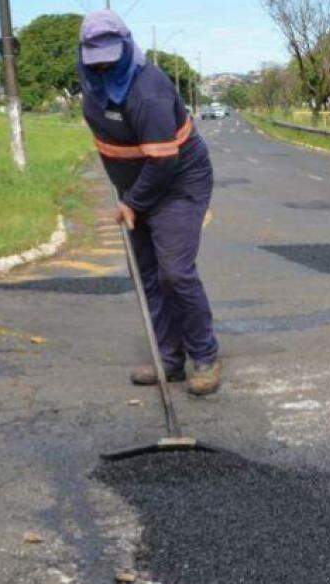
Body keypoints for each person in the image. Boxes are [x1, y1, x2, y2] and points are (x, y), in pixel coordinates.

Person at [77, 10, 221, 396]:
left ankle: (204, 355)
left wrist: (133, 202)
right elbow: (112, 152)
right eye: (96, 59)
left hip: (178, 182)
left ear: (127, 46)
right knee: (147, 276)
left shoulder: (149, 90)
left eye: (111, 56)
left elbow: (163, 161)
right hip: (138, 186)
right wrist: (127, 198)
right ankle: (168, 361)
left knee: (175, 271)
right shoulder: (91, 92)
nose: (104, 65)